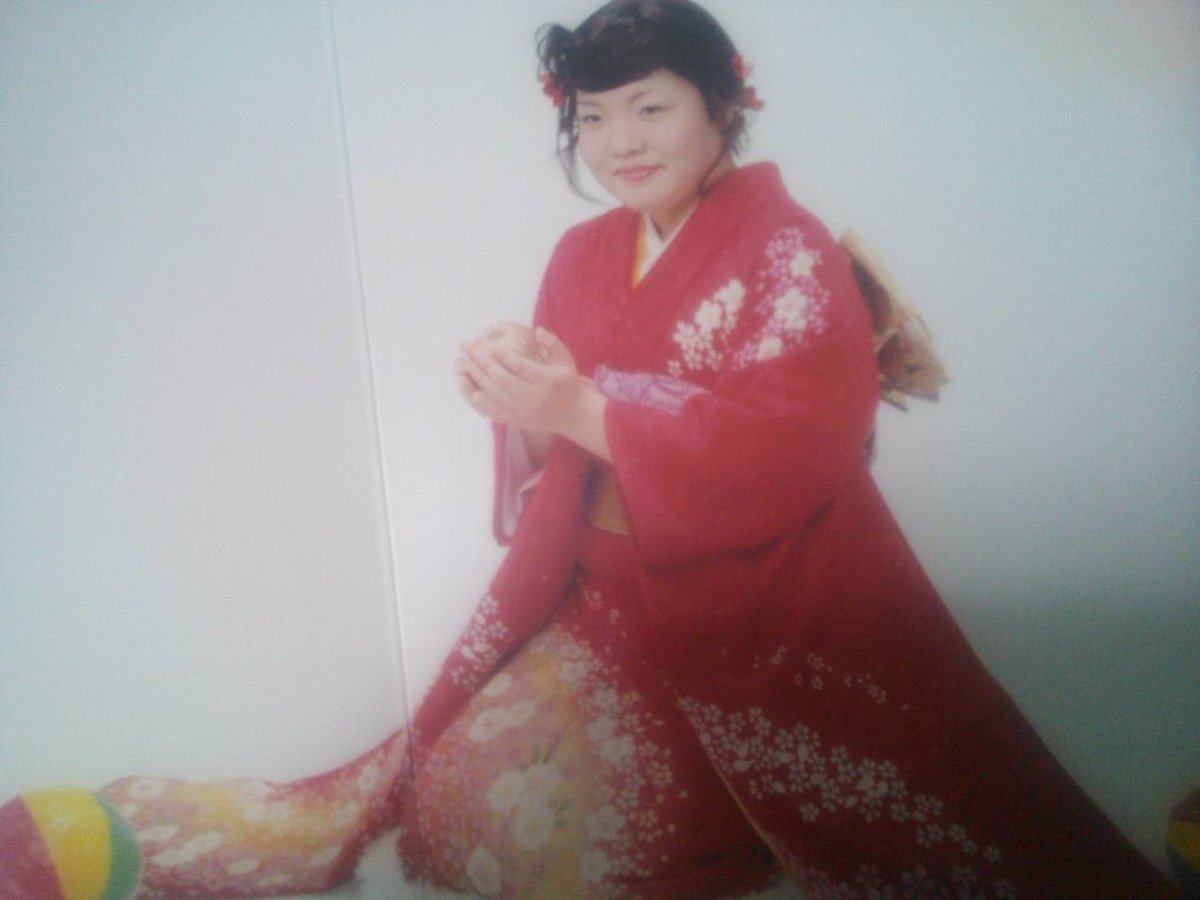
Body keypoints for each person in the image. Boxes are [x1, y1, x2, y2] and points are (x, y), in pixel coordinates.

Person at [0, 2, 1178, 898]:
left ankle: (741, 824)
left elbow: (796, 448)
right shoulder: (581, 255)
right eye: (595, 116)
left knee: (558, 844)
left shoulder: (788, 251)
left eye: (650, 108)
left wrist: (583, 409)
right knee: (459, 809)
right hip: (606, 607)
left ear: (725, 105)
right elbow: (558, 448)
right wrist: (516, 402)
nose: (620, 141)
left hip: (760, 623)